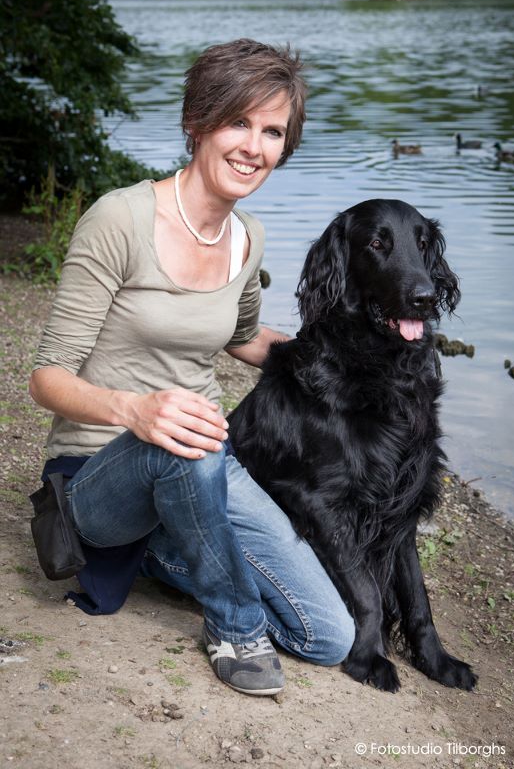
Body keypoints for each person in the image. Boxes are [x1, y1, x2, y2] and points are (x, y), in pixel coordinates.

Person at [29, 38, 355, 697]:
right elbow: (47, 379)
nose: (254, 147)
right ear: (198, 122)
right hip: (100, 468)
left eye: (272, 132)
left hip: (204, 459)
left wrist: (341, 356)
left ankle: (168, 550)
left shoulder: (248, 237)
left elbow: (241, 336)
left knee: (327, 636)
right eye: (239, 121)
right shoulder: (119, 219)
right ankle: (234, 623)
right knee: (186, 425)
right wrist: (133, 409)